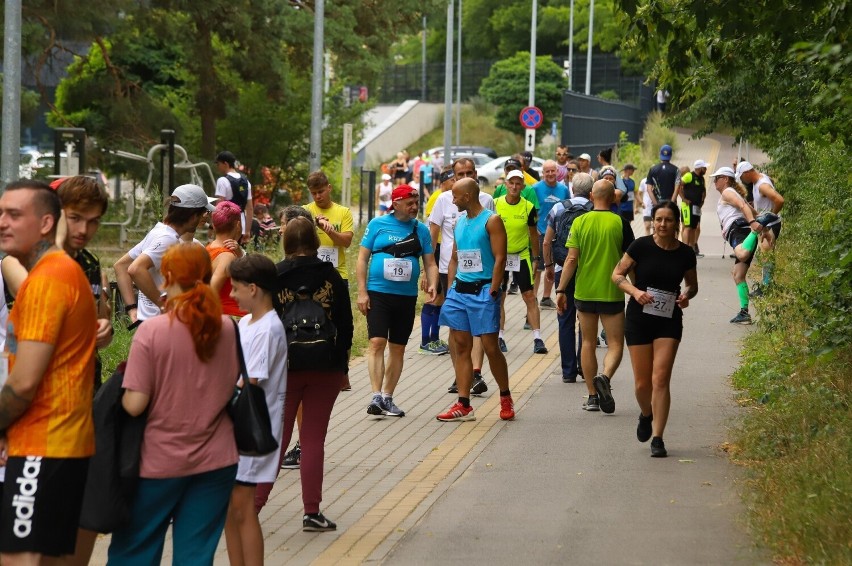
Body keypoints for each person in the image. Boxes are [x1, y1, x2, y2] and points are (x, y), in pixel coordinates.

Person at [107, 243, 238, 565]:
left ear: (166, 277)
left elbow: (135, 405)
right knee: (196, 554)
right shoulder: (227, 328)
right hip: (216, 460)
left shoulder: (151, 331)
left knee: (135, 550)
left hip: (159, 461)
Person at [0, 180, 97, 563]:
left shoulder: (45, 280)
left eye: (14, 215)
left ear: (45, 223)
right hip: (62, 442)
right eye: (1, 214)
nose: (3, 223)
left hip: (43, 442)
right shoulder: (64, 271)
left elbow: (23, 383)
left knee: (18, 558)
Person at [270, 217, 353, 530]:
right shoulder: (330, 275)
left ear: (287, 243)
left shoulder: (275, 275)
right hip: (325, 364)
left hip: (284, 366)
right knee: (313, 438)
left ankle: (251, 506)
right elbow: (345, 326)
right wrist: (342, 366)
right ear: (316, 243)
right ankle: (311, 512)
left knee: (277, 439)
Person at [612, 201, 698, 457]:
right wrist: (635, 291)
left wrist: (686, 296)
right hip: (639, 318)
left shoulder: (685, 252)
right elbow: (617, 275)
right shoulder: (640, 246)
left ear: (676, 223)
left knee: (660, 379)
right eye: (658, 219)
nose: (662, 225)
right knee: (642, 384)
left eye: (668, 220)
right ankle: (646, 413)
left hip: (669, 318)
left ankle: (658, 438)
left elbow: (692, 285)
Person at [224, 255, 287, 564]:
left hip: (253, 430)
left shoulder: (267, 329)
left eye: (235, 289)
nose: (232, 295)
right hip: (240, 429)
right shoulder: (249, 322)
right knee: (230, 508)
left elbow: (249, 379)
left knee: (243, 507)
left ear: (253, 288)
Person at [436, 177, 515, 422]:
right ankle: (463, 403)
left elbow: (500, 257)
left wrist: (494, 289)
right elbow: (455, 258)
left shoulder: (491, 220)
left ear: (468, 197)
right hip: (459, 291)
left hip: (483, 291)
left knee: (491, 348)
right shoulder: (460, 222)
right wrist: (450, 290)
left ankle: (505, 395)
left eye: (456, 196)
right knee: (460, 347)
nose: (453, 200)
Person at [357, 185, 437, 418]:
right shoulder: (377, 224)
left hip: (406, 296)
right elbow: (362, 259)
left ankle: (388, 397)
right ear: (396, 203)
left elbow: (430, 263)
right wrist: (362, 292)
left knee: (398, 347)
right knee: (376, 342)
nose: (415, 207)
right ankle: (375, 397)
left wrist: (432, 283)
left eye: (416, 202)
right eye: (410, 203)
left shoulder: (420, 230)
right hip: (379, 292)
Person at [554, 179, 635, 414]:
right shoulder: (620, 223)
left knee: (588, 342)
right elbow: (630, 262)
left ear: (591, 196)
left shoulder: (580, 222)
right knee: (616, 343)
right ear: (613, 198)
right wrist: (637, 290)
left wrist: (560, 290)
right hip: (612, 292)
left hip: (584, 292)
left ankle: (592, 397)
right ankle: (605, 377)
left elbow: (571, 260)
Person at [429, 158, 494, 393]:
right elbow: (432, 236)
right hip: (451, 271)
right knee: (456, 329)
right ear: (453, 176)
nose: (465, 175)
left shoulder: (487, 201)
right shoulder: (443, 201)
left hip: (480, 275)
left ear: (476, 173)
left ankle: (475, 373)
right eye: (460, 173)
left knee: (478, 327)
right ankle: (460, 375)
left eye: (469, 172)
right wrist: (431, 272)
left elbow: (492, 238)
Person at [115, 184, 215, 326]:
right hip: (162, 323)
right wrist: (163, 305)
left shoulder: (158, 230)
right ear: (193, 217)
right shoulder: (167, 239)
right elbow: (135, 269)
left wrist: (131, 309)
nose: (205, 217)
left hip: (149, 322)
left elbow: (121, 265)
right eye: (202, 213)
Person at [543, 172, 594, 383]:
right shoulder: (594, 210)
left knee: (565, 320)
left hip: (562, 268)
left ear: (572, 188)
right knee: (585, 320)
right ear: (591, 192)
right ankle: (585, 365)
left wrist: (547, 265)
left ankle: (568, 371)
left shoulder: (558, 208)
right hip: (587, 271)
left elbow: (547, 242)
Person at [711, 166, 773, 325]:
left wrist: (754, 225)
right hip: (743, 232)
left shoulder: (727, 192)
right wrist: (764, 228)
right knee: (738, 275)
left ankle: (754, 234)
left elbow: (743, 207)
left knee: (742, 254)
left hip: (738, 229)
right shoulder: (732, 193)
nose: (714, 182)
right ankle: (744, 312)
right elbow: (750, 208)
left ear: (725, 179)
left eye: (716, 178)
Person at [494, 170, 547, 354]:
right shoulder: (495, 205)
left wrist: (536, 259)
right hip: (500, 257)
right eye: (511, 183)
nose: (515, 187)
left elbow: (534, 235)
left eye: (518, 184)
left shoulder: (528, 206)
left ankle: (538, 338)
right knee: (499, 297)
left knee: (529, 296)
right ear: (505, 185)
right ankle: (499, 336)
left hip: (521, 255)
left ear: (523, 187)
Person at [419, 167, 455, 356]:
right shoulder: (439, 198)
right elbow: (431, 228)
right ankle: (426, 340)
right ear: (444, 183)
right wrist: (427, 265)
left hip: (447, 248)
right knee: (433, 295)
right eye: (452, 180)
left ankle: (434, 338)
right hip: (439, 248)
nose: (455, 183)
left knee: (440, 298)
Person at [735, 161, 784, 290]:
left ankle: (766, 288)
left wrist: (770, 216)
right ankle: (766, 286)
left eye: (741, 177)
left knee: (766, 256)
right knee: (765, 255)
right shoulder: (760, 179)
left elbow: (779, 200)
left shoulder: (762, 185)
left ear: (747, 173)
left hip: (771, 224)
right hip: (767, 224)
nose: (742, 180)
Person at [532, 160, 570, 310]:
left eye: (552, 171)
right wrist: (534, 229)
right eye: (547, 171)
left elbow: (568, 208)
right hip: (541, 232)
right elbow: (531, 211)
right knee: (538, 268)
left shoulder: (563, 189)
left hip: (558, 234)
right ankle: (533, 298)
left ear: (557, 172)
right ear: (543, 173)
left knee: (552, 266)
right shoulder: (535, 188)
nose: (550, 174)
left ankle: (546, 297)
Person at [304, 170, 355, 282]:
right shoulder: (305, 211)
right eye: (313, 193)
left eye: (321, 191)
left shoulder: (344, 212)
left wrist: (329, 230)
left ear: (329, 188)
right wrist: (316, 222)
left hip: (338, 274)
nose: (317, 196)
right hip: (311, 273)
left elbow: (346, 242)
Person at [207, 201, 247, 318]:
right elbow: (211, 292)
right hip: (230, 317)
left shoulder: (207, 249)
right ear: (238, 225)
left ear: (214, 225)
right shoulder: (227, 256)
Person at [215, 151, 254, 244]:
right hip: (242, 226)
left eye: (218, 164)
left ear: (225, 163)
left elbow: (219, 206)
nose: (218, 167)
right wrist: (247, 230)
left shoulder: (222, 181)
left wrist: (213, 226)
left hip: (227, 225)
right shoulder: (246, 182)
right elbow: (250, 208)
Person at [672, 160, 708, 256]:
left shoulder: (701, 179)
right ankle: (685, 248)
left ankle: (691, 249)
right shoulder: (689, 176)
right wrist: (683, 198)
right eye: (704, 168)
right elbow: (679, 185)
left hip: (696, 207)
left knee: (693, 227)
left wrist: (702, 201)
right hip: (688, 206)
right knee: (687, 227)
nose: (706, 169)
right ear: (699, 168)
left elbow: (703, 191)